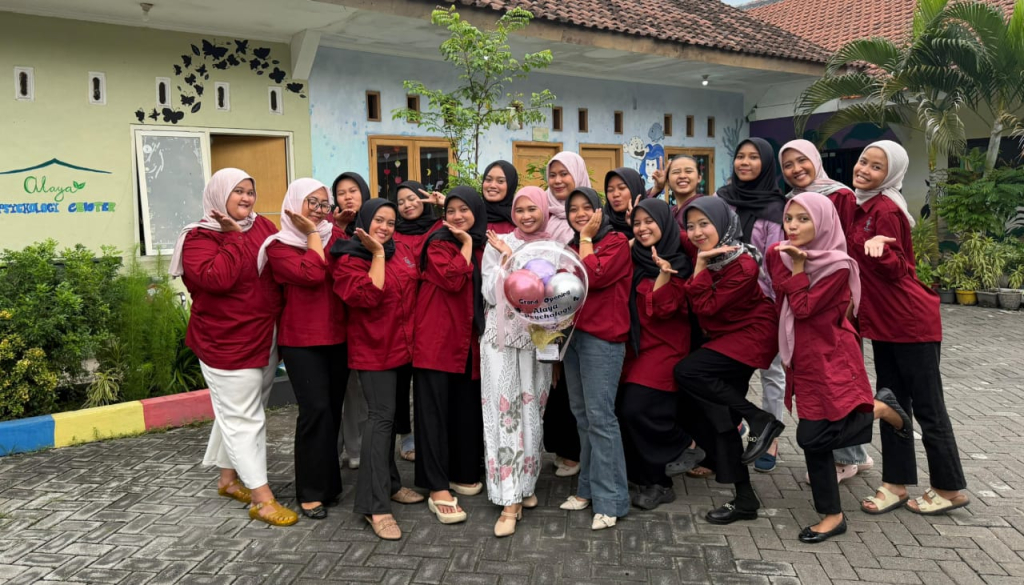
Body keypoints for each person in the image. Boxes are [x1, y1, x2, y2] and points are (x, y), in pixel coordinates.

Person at [765, 192, 912, 542]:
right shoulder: (780, 254)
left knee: (811, 435)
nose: (794, 226)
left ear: (824, 221)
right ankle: (832, 516)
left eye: (804, 219)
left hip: (832, 354)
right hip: (802, 357)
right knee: (817, 442)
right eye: (790, 218)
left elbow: (802, 307)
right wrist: (792, 268)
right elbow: (779, 289)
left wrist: (799, 269)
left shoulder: (837, 265)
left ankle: (879, 408)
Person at [169, 168, 297, 527]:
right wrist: (232, 238)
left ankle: (227, 480)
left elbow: (282, 265)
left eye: (250, 192)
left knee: (244, 409)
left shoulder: (263, 227)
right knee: (244, 418)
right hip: (224, 341)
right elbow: (217, 279)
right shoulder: (198, 237)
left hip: (264, 336)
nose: (246, 198)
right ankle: (262, 499)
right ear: (218, 195)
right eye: (237, 192)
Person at [848, 141, 969, 516]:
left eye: (876, 167)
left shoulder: (886, 209)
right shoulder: (860, 204)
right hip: (885, 325)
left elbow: (899, 266)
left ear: (892, 175)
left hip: (910, 323)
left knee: (929, 408)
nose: (865, 170)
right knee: (891, 405)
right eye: (863, 161)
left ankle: (949, 488)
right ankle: (895, 485)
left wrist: (881, 249)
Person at [673, 197, 781, 525]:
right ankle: (745, 499)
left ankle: (760, 419)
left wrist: (701, 267)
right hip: (726, 338)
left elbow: (706, 307)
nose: (696, 232)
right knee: (719, 417)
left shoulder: (743, 263)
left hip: (752, 335)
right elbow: (666, 231)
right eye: (690, 225)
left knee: (688, 371)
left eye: (704, 224)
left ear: (723, 223)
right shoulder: (710, 250)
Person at [778, 139, 873, 483]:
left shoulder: (840, 195)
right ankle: (851, 452)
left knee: (838, 379)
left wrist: (846, 297)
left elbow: (843, 244)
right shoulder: (791, 200)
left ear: (815, 160)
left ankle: (849, 454)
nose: (795, 168)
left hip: (832, 296)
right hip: (808, 290)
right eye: (788, 164)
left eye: (801, 160)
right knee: (824, 380)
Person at [332, 198, 425, 540]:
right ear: (365, 222)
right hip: (373, 351)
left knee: (389, 421)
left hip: (403, 350)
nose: (385, 228)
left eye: (390, 222)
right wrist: (379, 255)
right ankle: (374, 506)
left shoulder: (399, 251)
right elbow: (369, 296)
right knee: (380, 420)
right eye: (379, 221)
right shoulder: (349, 258)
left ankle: (391, 484)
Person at [259, 178, 346, 520]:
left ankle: (329, 486)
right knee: (316, 411)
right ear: (294, 203)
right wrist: (312, 234)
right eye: (312, 202)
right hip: (301, 341)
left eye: (324, 204)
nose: (319, 210)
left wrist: (329, 231)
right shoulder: (278, 246)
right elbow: (312, 273)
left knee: (332, 412)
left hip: (339, 336)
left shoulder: (335, 236)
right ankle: (309, 491)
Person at [480, 186, 555, 537]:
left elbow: (559, 296)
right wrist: (509, 259)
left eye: (532, 209)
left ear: (543, 210)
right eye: (520, 210)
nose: (526, 216)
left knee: (531, 414)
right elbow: (488, 291)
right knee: (505, 414)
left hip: (536, 343)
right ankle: (509, 499)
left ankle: (526, 486)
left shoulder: (554, 248)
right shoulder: (498, 242)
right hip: (500, 342)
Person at [558, 187, 632, 530]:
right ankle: (587, 489)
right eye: (573, 209)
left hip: (603, 340)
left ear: (600, 210)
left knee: (601, 418)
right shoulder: (571, 248)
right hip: (574, 340)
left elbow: (595, 276)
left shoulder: (615, 242)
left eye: (587, 207)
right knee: (583, 416)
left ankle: (611, 500)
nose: (580, 214)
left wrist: (586, 239)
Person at [413, 186, 488, 524]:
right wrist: (468, 245)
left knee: (464, 407)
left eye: (464, 210)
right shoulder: (440, 242)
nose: (457, 217)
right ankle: (437, 486)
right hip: (438, 338)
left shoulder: (486, 242)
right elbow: (453, 279)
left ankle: (462, 469)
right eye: (452, 211)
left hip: (468, 340)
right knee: (433, 414)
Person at [716, 138, 788, 473]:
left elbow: (776, 262)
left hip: (762, 303)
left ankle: (769, 435)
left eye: (753, 157)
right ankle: (737, 423)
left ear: (766, 163)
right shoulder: (722, 199)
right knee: (726, 372)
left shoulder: (776, 207)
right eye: (740, 157)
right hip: (724, 300)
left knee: (771, 372)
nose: (745, 162)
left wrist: (775, 306)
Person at [618, 198, 694, 511]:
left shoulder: (680, 261)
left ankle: (684, 447)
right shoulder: (632, 256)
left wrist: (664, 276)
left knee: (635, 409)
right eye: (637, 222)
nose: (642, 227)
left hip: (665, 347)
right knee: (624, 414)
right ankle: (648, 479)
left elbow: (663, 310)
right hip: (633, 348)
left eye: (650, 221)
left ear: (665, 222)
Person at [542, 152, 587, 477]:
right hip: (543, 310)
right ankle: (561, 447)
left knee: (571, 383)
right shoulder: (541, 212)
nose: (558, 180)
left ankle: (574, 452)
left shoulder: (584, 215)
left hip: (578, 312)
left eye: (564, 174)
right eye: (553, 174)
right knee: (554, 381)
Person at [392, 180, 443, 463]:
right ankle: (405, 434)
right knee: (400, 380)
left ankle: (428, 434)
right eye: (401, 202)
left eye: (412, 198)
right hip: (399, 316)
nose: (407, 205)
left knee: (426, 382)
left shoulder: (439, 227)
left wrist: (443, 205)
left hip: (431, 315)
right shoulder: (393, 232)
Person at [331, 172, 372, 470]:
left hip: (366, 320)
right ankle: (335, 446)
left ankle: (357, 448)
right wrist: (337, 227)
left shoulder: (375, 225)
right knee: (338, 389)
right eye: (341, 192)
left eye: (353, 190)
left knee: (360, 388)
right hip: (334, 320)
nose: (347, 196)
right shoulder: (327, 229)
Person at [603, 167, 646, 239]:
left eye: (622, 188)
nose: (615, 194)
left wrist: (635, 224)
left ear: (635, 189)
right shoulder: (601, 224)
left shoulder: (653, 219)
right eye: (610, 190)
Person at [482, 160, 518, 235]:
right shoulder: (472, 215)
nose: (492, 185)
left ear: (511, 185)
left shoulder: (519, 219)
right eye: (488, 180)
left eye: (500, 181)